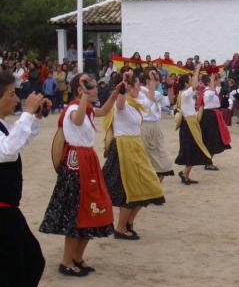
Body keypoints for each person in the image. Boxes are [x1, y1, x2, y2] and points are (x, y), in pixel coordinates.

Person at [39, 74, 117, 276]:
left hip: (87, 160)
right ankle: (66, 261)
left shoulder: (87, 108)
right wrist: (83, 95)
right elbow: (78, 119)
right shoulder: (74, 107)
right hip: (77, 163)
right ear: (80, 90)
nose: (95, 87)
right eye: (88, 84)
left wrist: (116, 92)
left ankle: (77, 257)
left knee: (91, 210)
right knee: (76, 213)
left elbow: (105, 110)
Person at [0, 74, 48, 287]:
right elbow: (6, 152)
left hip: (8, 210)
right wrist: (27, 114)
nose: (15, 98)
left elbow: (18, 144)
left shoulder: (4, 125)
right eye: (10, 93)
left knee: (29, 261)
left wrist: (36, 118)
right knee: (11, 269)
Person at [102, 72, 165, 239]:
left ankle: (128, 223)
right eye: (137, 85)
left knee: (149, 187)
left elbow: (150, 99)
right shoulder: (122, 103)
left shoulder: (137, 103)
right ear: (129, 87)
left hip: (135, 147)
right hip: (123, 148)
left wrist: (152, 82)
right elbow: (120, 104)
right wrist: (122, 87)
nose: (140, 87)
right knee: (128, 190)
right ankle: (120, 228)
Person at [174, 65, 212, 184]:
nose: (192, 82)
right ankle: (185, 175)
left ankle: (185, 173)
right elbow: (195, 86)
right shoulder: (185, 94)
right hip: (189, 125)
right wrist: (196, 71)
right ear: (186, 84)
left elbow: (196, 87)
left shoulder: (184, 93)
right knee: (192, 149)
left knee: (191, 150)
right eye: (190, 80)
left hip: (189, 124)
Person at [137, 70, 175, 181]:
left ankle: (155, 190)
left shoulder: (157, 93)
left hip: (156, 127)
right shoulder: (140, 93)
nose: (158, 81)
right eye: (156, 78)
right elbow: (151, 99)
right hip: (145, 126)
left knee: (162, 162)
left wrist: (170, 86)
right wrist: (153, 83)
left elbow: (169, 101)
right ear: (148, 80)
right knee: (147, 161)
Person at [200, 75, 231, 171]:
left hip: (214, 115)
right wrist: (213, 81)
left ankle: (208, 161)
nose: (216, 82)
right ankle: (208, 162)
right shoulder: (207, 92)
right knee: (212, 140)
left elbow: (218, 89)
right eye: (214, 81)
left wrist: (218, 79)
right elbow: (211, 93)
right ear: (209, 83)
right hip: (210, 116)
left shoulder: (212, 91)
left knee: (213, 139)